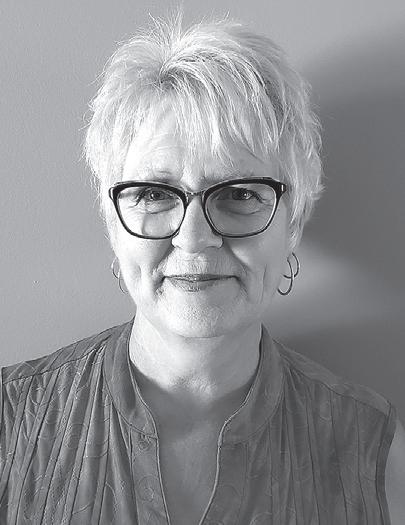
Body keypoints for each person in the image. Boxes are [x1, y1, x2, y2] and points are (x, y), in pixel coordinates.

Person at [1, 14, 404, 525]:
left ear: (294, 222)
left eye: (240, 194)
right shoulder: (12, 423)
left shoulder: (376, 455)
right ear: (113, 225)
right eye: (153, 194)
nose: (193, 238)